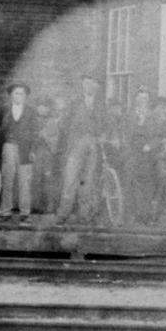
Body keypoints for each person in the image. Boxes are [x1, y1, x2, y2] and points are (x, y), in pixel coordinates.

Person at [56, 75, 105, 225]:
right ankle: (63, 214)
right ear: (82, 85)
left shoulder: (100, 105)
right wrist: (74, 136)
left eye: (92, 83)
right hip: (76, 144)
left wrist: (102, 135)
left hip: (93, 144)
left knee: (88, 180)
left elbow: (106, 123)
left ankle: (84, 214)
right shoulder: (74, 102)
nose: (88, 86)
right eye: (86, 83)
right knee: (70, 179)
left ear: (96, 86)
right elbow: (63, 123)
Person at [0, 82, 36, 219]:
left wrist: (33, 150)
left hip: (25, 149)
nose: (19, 96)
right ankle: (5, 211)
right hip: (9, 146)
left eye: (22, 94)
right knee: (8, 179)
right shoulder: (4, 110)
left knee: (24, 182)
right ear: (11, 95)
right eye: (16, 93)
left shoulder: (31, 111)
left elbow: (35, 132)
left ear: (26, 96)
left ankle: (25, 212)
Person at [123, 87, 160, 225]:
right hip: (132, 154)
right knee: (131, 184)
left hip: (147, 155)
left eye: (145, 99)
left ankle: (145, 215)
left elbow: (158, 136)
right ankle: (132, 215)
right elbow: (125, 135)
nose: (142, 101)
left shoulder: (153, 116)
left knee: (147, 185)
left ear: (148, 101)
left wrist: (150, 146)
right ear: (135, 100)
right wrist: (128, 150)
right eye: (140, 98)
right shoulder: (129, 115)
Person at [31, 96, 60, 215]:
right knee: (35, 178)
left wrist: (45, 136)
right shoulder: (33, 120)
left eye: (45, 107)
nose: (42, 109)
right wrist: (32, 150)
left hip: (48, 152)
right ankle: (35, 206)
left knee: (48, 178)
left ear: (48, 109)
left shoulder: (52, 121)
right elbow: (31, 137)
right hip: (37, 152)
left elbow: (55, 138)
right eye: (40, 107)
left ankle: (50, 206)